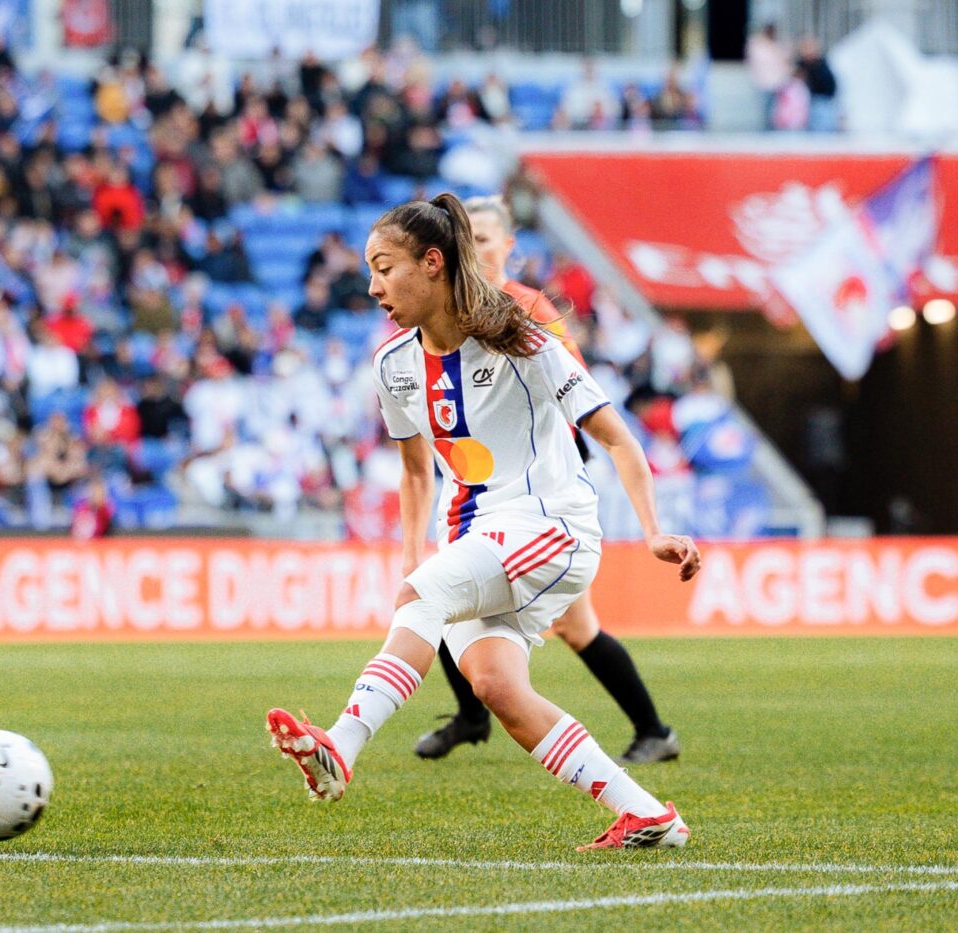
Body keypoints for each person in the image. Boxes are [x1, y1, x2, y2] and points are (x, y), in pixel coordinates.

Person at [265, 194, 701, 850]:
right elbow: (417, 472)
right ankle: (646, 813)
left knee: (425, 599)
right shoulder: (393, 366)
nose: (373, 286)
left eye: (384, 268)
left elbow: (616, 437)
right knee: (496, 686)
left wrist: (653, 529)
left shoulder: (523, 340)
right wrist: (413, 554)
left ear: (432, 263)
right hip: (474, 535)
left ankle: (342, 744)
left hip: (549, 524)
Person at [405, 195, 682, 765]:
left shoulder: (528, 309)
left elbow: (572, 393)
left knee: (572, 627)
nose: (472, 249)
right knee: (446, 596)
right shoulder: (441, 318)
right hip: (481, 492)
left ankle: (653, 729)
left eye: (484, 239)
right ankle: (474, 714)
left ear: (508, 247)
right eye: (465, 239)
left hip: (540, 494)